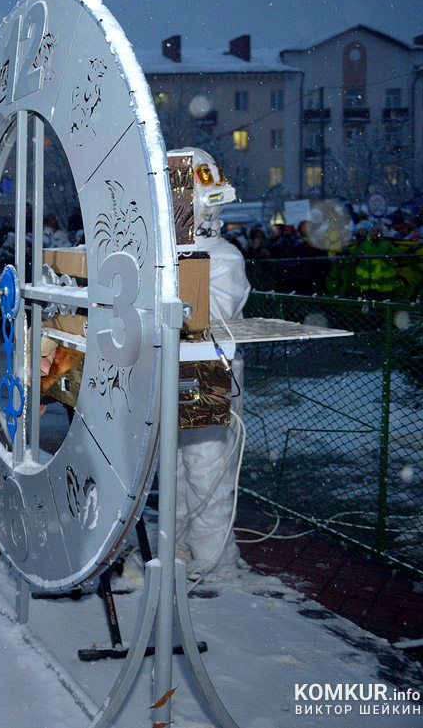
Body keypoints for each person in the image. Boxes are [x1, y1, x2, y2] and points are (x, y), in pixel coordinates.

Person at [170, 147, 251, 582]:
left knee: (206, 469)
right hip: (175, 371)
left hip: (207, 372)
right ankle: (181, 543)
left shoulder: (222, 258)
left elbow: (207, 319)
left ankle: (216, 563)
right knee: (177, 468)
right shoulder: (168, 257)